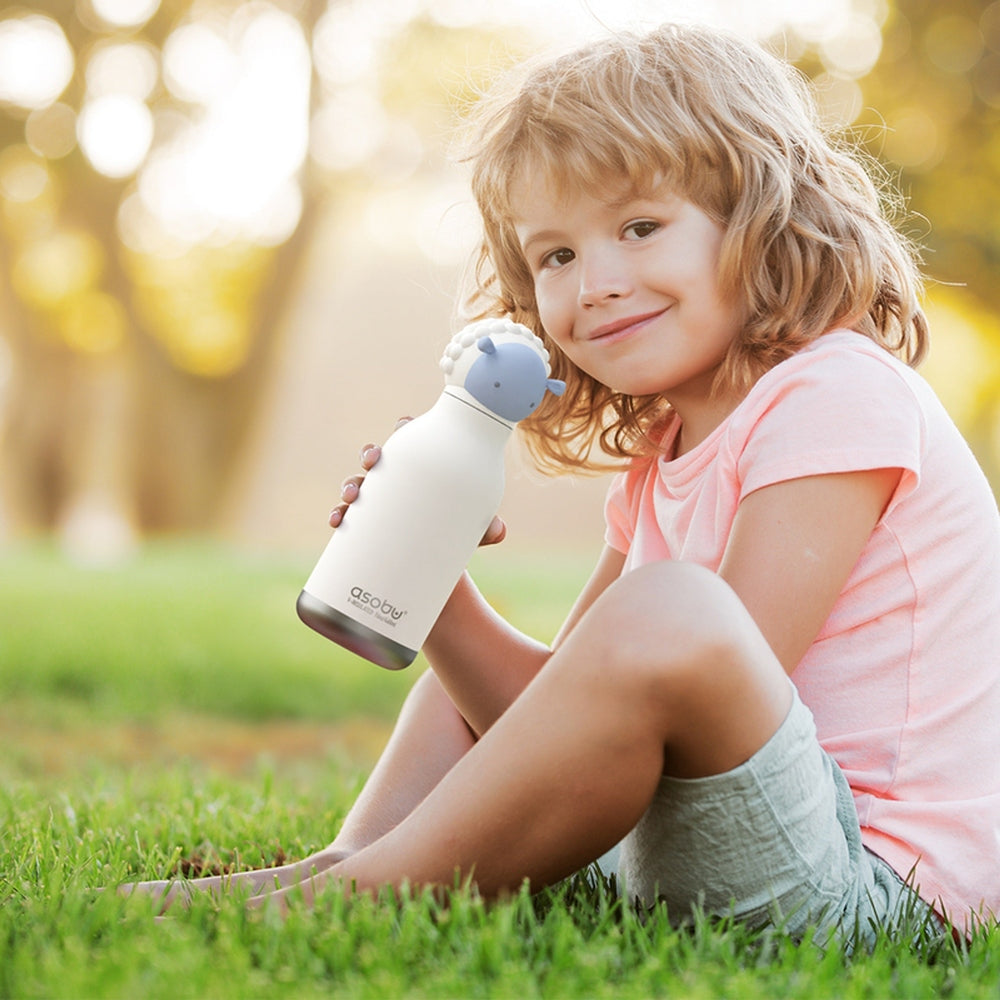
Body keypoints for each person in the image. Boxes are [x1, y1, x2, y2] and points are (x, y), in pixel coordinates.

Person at [125, 22, 1000, 942]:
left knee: (669, 611)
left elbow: (718, 667)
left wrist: (636, 631)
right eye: (557, 255)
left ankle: (349, 901)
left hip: (874, 887)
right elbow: (553, 722)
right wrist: (436, 590)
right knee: (466, 691)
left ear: (762, 215)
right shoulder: (663, 450)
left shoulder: (838, 389)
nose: (596, 283)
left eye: (640, 227)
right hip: (718, 843)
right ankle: (346, 871)